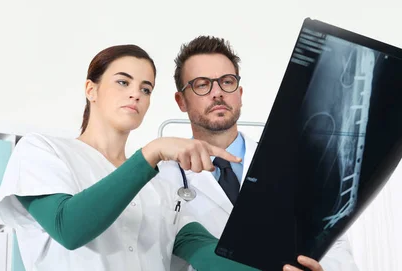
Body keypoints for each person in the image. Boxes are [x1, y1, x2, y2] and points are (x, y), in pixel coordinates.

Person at [0, 44, 262, 271]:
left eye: (146, 89)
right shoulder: (42, 150)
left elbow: (200, 248)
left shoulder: (160, 185)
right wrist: (151, 152)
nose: (136, 93)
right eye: (123, 82)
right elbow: (69, 228)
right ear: (91, 89)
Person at [154, 36, 361, 271]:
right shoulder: (161, 178)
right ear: (181, 101)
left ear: (240, 93)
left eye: (227, 81)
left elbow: (335, 247)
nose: (217, 93)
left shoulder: (295, 165)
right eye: (202, 84)